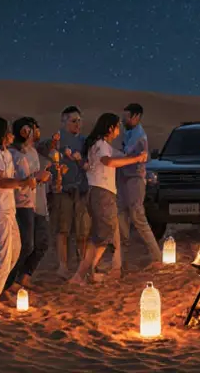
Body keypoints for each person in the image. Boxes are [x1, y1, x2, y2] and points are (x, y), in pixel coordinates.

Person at [0, 116, 50, 321]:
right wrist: (26, 181)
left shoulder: (3, 154)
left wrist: (29, 180)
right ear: (2, 134)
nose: (12, 135)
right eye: (9, 131)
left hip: (7, 210)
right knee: (0, 257)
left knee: (15, 251)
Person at [69, 113, 147, 283]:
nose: (118, 129)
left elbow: (114, 156)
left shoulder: (97, 145)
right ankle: (80, 274)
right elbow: (108, 161)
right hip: (102, 193)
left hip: (97, 192)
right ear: (110, 128)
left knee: (100, 235)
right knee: (104, 236)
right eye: (117, 126)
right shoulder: (101, 145)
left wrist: (134, 156)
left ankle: (86, 272)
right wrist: (135, 159)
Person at [7, 117, 56, 296]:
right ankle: (9, 283)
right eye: (33, 129)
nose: (36, 132)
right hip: (20, 204)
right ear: (25, 131)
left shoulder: (33, 152)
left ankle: (23, 277)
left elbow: (34, 175)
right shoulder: (12, 154)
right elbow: (15, 180)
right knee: (25, 245)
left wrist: (43, 177)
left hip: (36, 202)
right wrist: (36, 177)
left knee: (41, 243)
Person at [117, 103, 162, 267]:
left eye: (127, 116)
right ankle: (121, 258)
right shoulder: (128, 132)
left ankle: (157, 257)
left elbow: (126, 153)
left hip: (135, 179)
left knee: (138, 217)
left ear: (136, 117)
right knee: (121, 215)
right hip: (124, 178)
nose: (124, 119)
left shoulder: (139, 136)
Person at [50, 105, 90, 278]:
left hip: (81, 191)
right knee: (63, 229)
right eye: (74, 121)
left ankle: (83, 265)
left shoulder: (84, 142)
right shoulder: (56, 142)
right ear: (64, 121)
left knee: (82, 231)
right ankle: (63, 266)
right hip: (63, 191)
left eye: (79, 121)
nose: (77, 124)